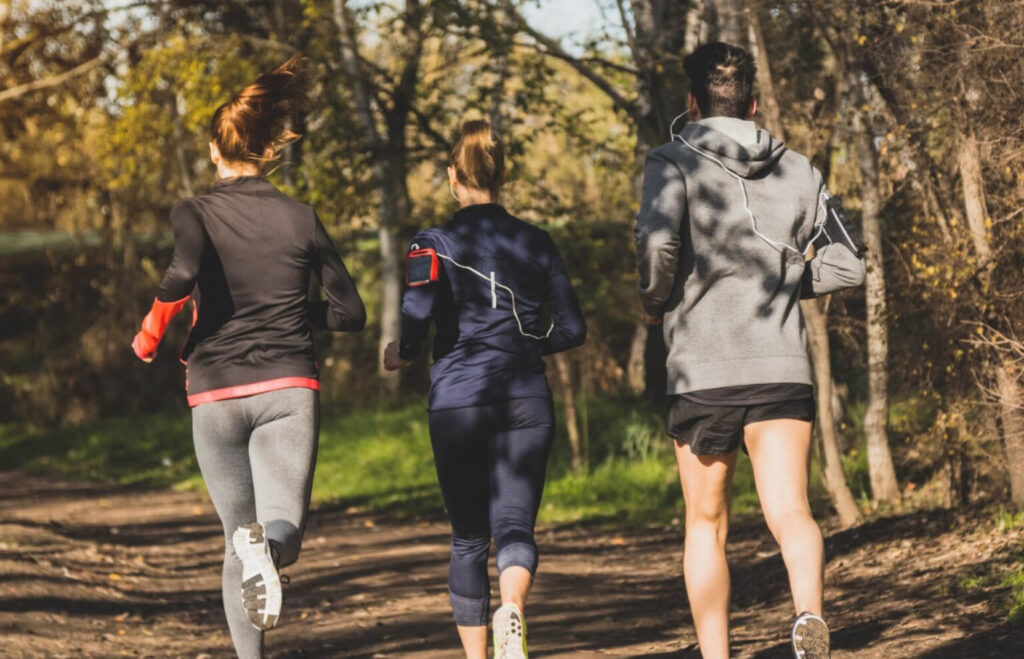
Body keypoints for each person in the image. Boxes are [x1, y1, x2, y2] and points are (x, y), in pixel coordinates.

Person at [634, 42, 866, 659]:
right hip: (780, 365)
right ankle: (809, 617)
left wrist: (655, 300)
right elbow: (849, 264)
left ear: (692, 103)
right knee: (792, 512)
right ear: (754, 104)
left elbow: (657, 247)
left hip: (702, 369)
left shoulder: (670, 160)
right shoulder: (802, 170)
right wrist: (785, 283)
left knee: (706, 524)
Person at [130, 56, 365, 658]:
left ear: (215, 150)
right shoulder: (302, 218)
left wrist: (150, 334)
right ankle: (272, 553)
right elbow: (350, 313)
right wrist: (298, 313)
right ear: (269, 150)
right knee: (279, 528)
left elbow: (182, 272)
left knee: (237, 537)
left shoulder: (194, 212)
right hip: (288, 389)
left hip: (215, 391)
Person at [383, 119, 586, 659]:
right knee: (515, 526)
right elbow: (573, 328)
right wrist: (526, 345)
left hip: (459, 402)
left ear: (453, 176)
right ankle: (512, 608)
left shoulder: (431, 243)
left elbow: (417, 310)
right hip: (526, 400)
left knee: (469, 537)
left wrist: (404, 353)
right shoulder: (537, 241)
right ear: (503, 176)